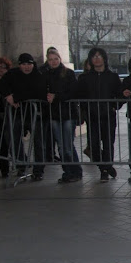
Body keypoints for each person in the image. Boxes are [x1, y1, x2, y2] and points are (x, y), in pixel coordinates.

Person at [74, 47, 122, 182]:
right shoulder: (85, 78)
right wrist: (85, 109)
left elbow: (119, 95)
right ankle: (104, 166)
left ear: (104, 58)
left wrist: (114, 106)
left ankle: (105, 170)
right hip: (92, 116)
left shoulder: (112, 77)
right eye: (94, 56)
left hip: (108, 115)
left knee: (108, 144)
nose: (96, 58)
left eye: (99, 56)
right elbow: (79, 95)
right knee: (94, 146)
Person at [0, 53, 48, 180]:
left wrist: (16, 97)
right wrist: (8, 95)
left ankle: (38, 170)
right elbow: (0, 85)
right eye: (24, 64)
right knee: (13, 139)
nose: (27, 67)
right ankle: (21, 164)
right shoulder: (12, 74)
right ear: (20, 65)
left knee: (38, 142)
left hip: (35, 114)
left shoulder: (38, 75)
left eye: (29, 64)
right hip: (17, 114)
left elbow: (36, 92)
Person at [44, 49, 83, 183]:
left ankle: (76, 171)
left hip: (68, 114)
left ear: (60, 59)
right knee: (61, 146)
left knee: (67, 145)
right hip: (54, 114)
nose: (53, 62)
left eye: (55, 59)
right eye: (50, 59)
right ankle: (67, 171)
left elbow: (73, 92)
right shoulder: (46, 74)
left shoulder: (68, 73)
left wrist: (56, 97)